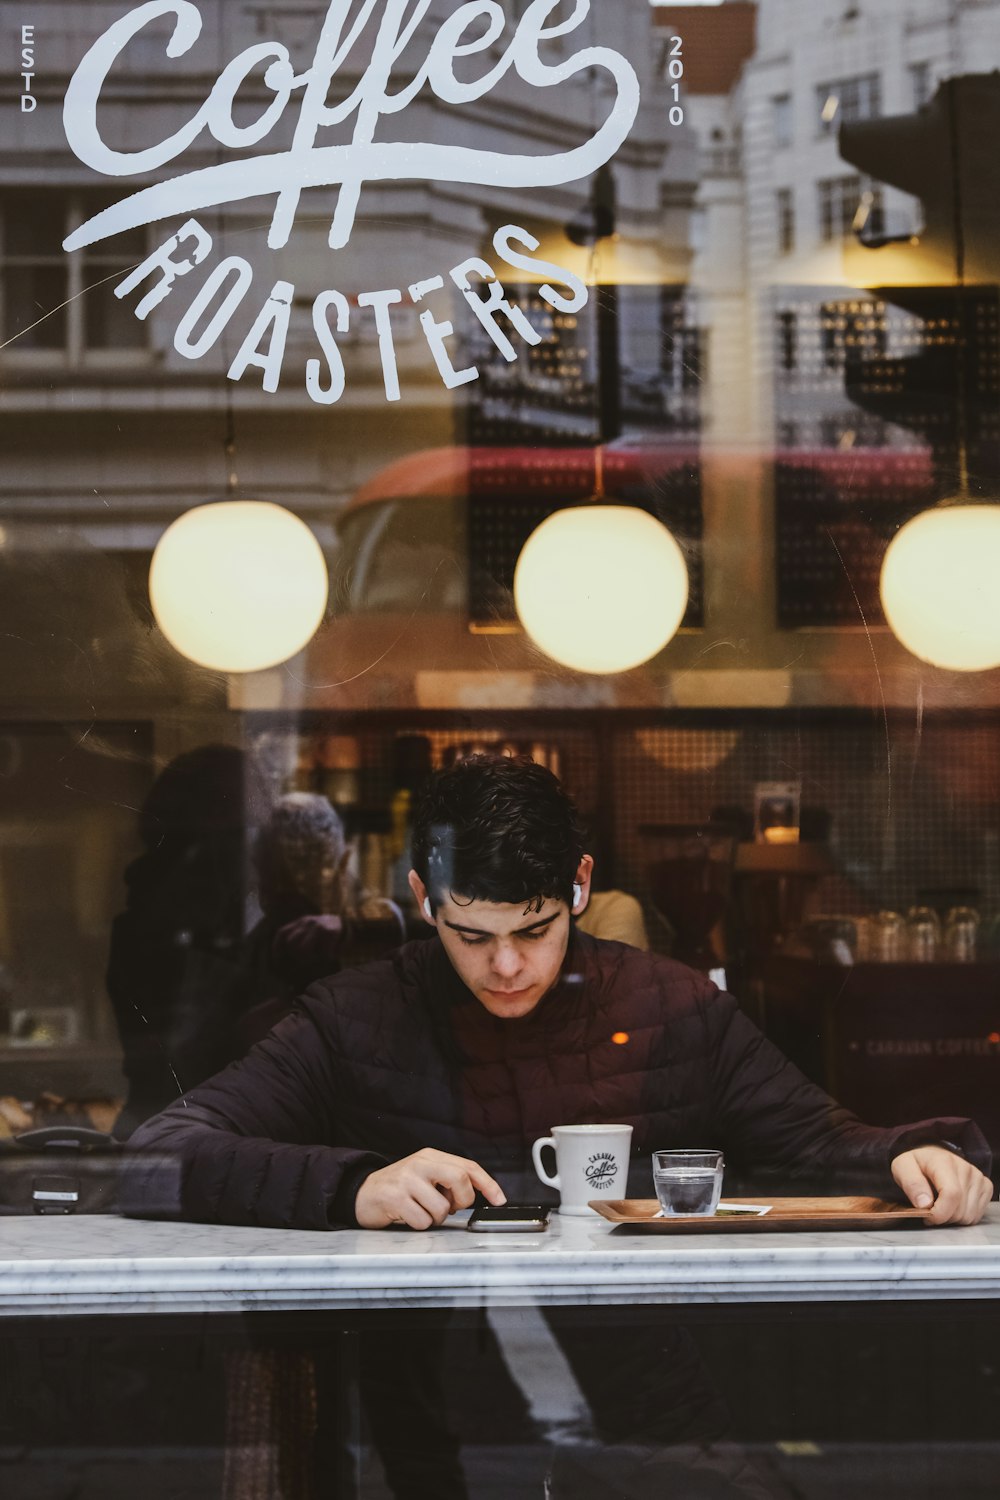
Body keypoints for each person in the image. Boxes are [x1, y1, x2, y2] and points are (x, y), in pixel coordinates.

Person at [123, 754, 992, 1496]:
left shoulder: (671, 1005)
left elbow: (821, 1140)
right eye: (471, 934)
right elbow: (160, 1152)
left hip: (649, 1413)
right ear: (423, 899)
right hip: (429, 1434)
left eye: (534, 930)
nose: (505, 966)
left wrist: (922, 1153)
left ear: (578, 886)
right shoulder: (355, 1016)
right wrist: (356, 1185)